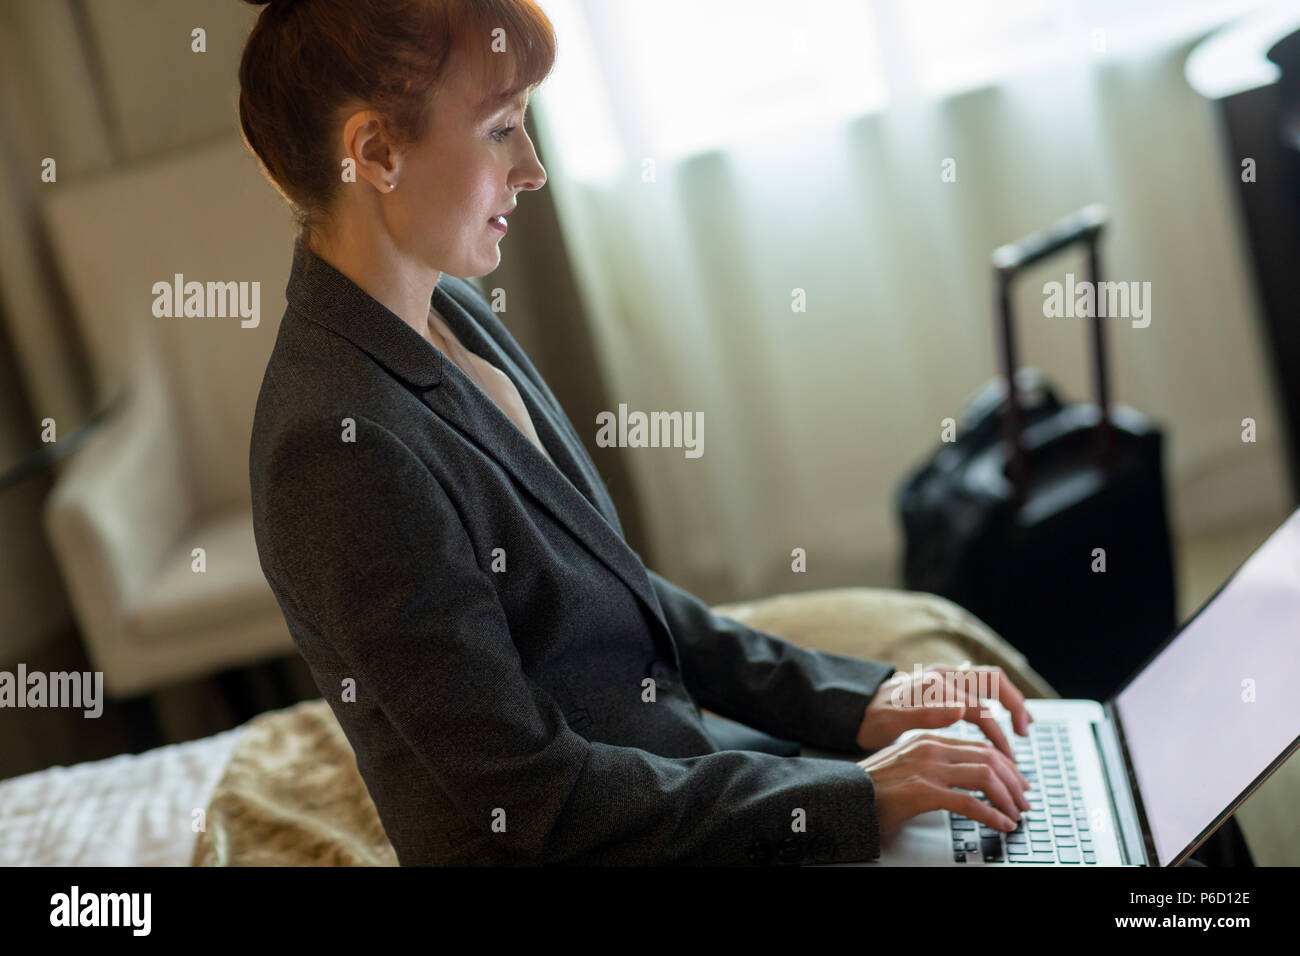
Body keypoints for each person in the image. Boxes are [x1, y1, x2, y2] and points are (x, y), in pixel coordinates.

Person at [240, 0, 1033, 865]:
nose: (532, 168)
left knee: (1005, 804)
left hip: (677, 794)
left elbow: (605, 591)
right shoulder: (337, 449)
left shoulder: (451, 313)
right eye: (502, 128)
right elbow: (534, 797)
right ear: (376, 153)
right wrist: (851, 797)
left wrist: (861, 702)